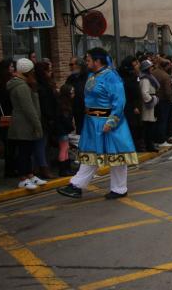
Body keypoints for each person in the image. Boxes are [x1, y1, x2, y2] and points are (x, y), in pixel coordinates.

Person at [57, 48, 137, 199]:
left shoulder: (112, 77)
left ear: (97, 61)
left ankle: (119, 188)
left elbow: (119, 101)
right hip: (92, 122)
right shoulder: (91, 75)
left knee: (117, 156)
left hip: (109, 122)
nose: (86, 62)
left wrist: (112, 121)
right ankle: (76, 185)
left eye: (88, 60)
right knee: (90, 155)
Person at [7, 58, 47, 190]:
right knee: (24, 152)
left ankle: (30, 175)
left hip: (25, 123)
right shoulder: (21, 87)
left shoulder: (24, 84)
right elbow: (28, 108)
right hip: (23, 124)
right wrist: (37, 125)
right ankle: (23, 178)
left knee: (28, 150)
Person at [33, 61, 57, 179]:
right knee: (41, 144)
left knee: (44, 144)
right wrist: (51, 117)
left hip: (46, 119)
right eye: (49, 70)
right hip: (43, 119)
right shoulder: (42, 87)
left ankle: (41, 166)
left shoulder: (44, 84)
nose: (51, 72)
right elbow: (46, 105)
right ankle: (43, 168)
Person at [118, 56, 143, 151]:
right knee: (132, 127)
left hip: (133, 105)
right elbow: (129, 93)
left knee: (136, 127)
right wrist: (134, 106)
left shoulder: (133, 75)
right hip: (129, 106)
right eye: (134, 63)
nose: (137, 65)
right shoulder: (126, 77)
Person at [139, 60, 159, 152]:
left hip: (151, 101)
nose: (152, 68)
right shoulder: (145, 79)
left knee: (150, 124)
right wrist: (151, 101)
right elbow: (144, 92)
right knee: (148, 125)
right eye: (151, 67)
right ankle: (149, 145)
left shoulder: (149, 77)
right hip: (148, 105)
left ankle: (150, 144)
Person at [56, 84, 75, 176]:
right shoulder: (63, 106)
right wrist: (70, 127)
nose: (73, 94)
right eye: (72, 92)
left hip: (63, 130)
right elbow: (65, 120)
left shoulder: (64, 103)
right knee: (64, 148)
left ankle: (67, 168)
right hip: (62, 130)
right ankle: (63, 170)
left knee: (66, 148)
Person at [66, 57, 88, 134]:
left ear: (79, 65)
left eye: (71, 64)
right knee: (79, 131)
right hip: (76, 110)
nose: (70, 67)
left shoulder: (88, 77)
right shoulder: (70, 78)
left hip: (87, 110)